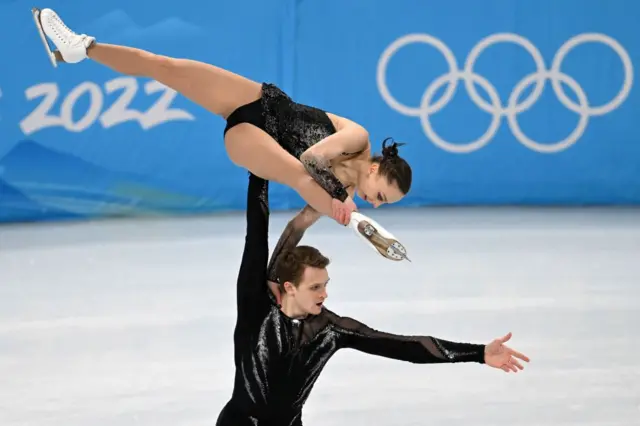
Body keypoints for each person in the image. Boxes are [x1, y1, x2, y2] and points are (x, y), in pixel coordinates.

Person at [31, 7, 413, 229]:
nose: (375, 202)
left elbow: (297, 224)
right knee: (167, 67)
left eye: (382, 205)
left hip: (251, 142)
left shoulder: (341, 197)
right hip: (261, 102)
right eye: (380, 196)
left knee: (297, 178)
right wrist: (338, 199)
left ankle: (79, 50)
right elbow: (313, 157)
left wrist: (355, 224)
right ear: (376, 170)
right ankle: (82, 47)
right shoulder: (358, 139)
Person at [217, 171, 530, 425]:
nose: (325, 294)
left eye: (326, 285)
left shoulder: (331, 329)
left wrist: (477, 353)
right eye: (315, 288)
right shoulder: (255, 304)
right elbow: (257, 232)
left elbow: (405, 346)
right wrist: (258, 170)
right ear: (289, 287)